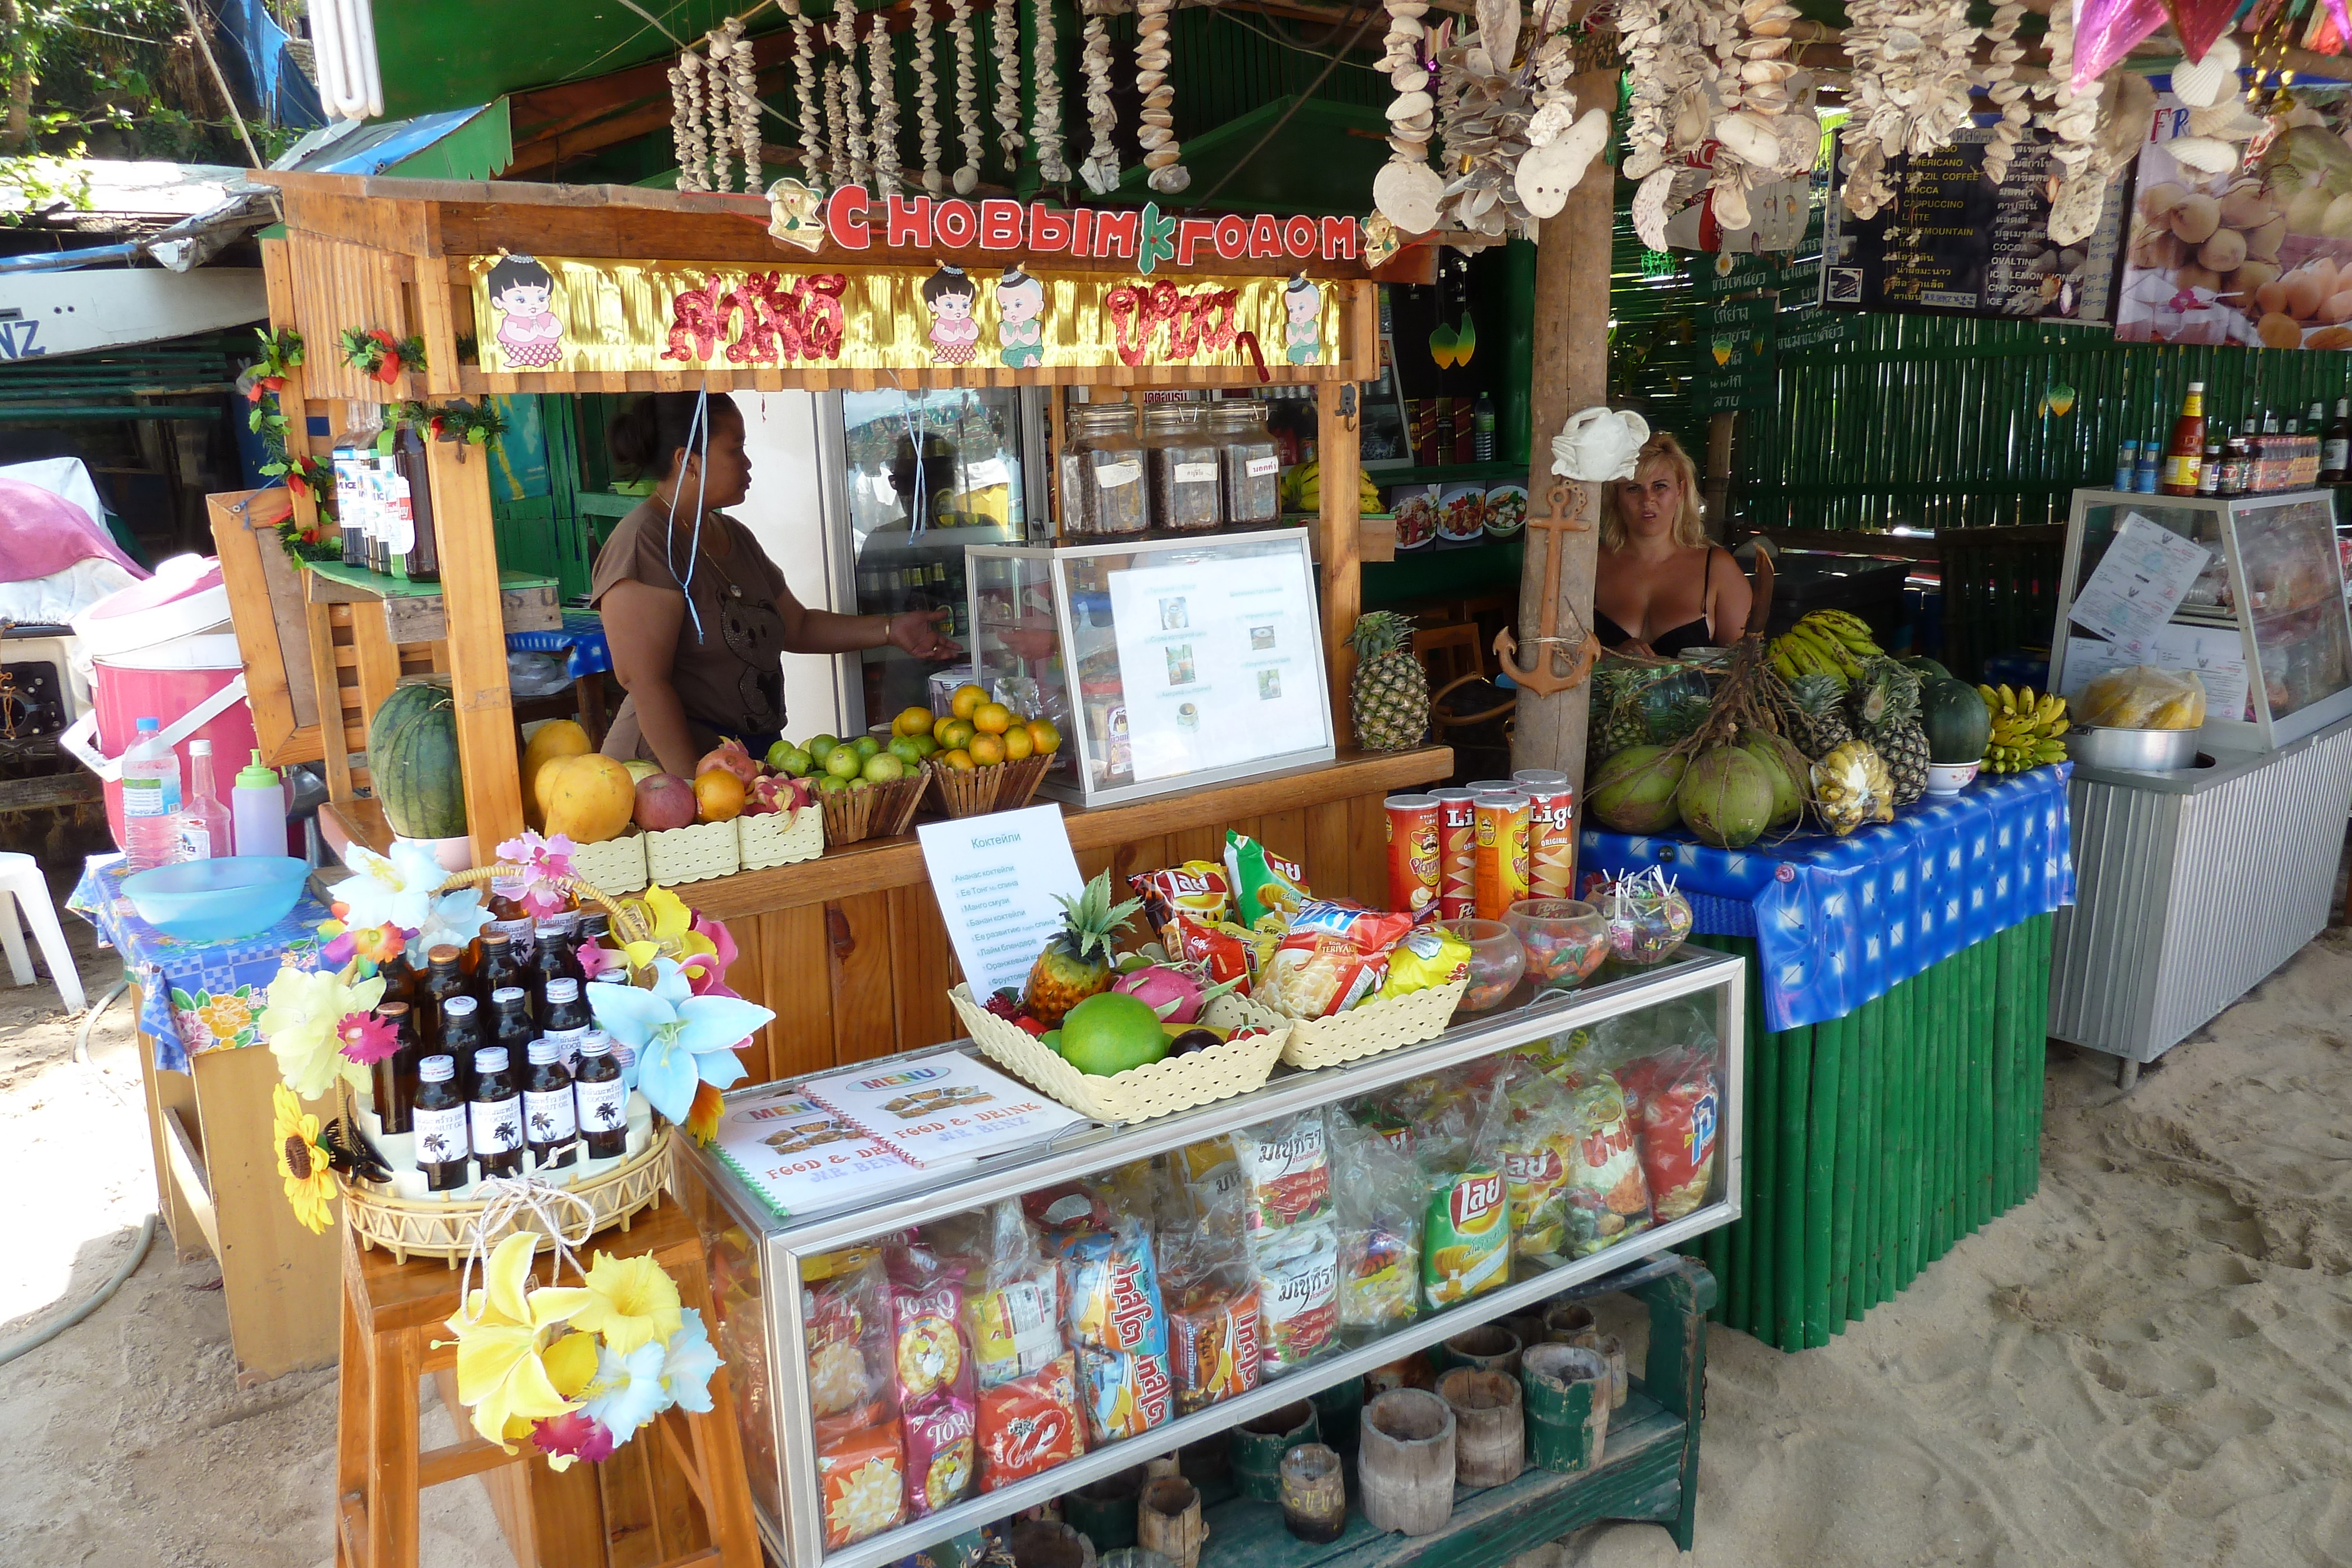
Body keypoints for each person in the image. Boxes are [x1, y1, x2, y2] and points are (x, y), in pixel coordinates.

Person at [592, 392, 961, 776]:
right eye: (736, 450)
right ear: (689, 462)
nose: (748, 463)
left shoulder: (733, 535)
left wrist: (890, 628)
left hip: (742, 764)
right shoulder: (645, 542)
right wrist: (694, 790)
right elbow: (646, 683)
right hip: (665, 773)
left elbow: (797, 625)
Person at [1592, 432, 1751, 656]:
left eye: (1660, 486)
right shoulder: (1591, 563)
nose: (1648, 500)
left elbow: (1746, 666)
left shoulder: (1717, 568)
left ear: (1680, 491)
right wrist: (1612, 656)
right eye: (1634, 488)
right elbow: (1556, 651)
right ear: (1616, 496)